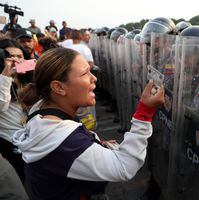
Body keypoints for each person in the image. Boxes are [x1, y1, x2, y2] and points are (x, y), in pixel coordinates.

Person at [12, 47, 165, 199]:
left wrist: (98, 146)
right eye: (85, 73)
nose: (94, 78)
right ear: (58, 87)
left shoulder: (43, 110)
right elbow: (125, 167)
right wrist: (145, 112)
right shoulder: (65, 142)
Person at [0, 39, 31, 182]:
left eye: (20, 57)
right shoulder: (3, 79)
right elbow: (1, 105)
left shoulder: (27, 78)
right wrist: (6, 74)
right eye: (11, 58)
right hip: (10, 142)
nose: (16, 61)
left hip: (30, 137)